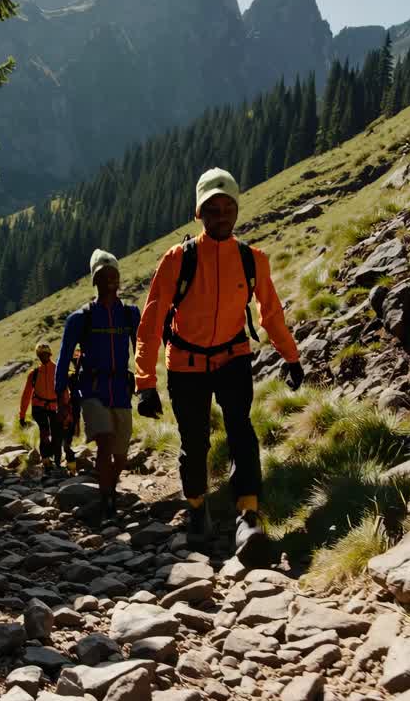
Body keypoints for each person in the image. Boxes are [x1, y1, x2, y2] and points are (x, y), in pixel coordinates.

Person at [135, 167, 303, 565]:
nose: (222, 214)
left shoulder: (252, 260)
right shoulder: (177, 259)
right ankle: (197, 509)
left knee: (242, 430)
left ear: (237, 211)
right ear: (200, 213)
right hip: (186, 364)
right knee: (194, 445)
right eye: (213, 207)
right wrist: (145, 381)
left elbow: (272, 314)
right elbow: (151, 323)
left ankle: (248, 516)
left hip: (232, 356)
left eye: (229, 207)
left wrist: (292, 356)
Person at [55, 250, 140, 520]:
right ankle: (106, 500)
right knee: (104, 442)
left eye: (113, 273)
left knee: (121, 454)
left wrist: (148, 384)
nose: (110, 279)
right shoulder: (80, 318)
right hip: (91, 389)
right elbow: (64, 357)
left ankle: (109, 490)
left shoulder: (130, 314)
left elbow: (142, 349)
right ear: (94, 280)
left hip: (121, 389)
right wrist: (61, 395)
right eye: (103, 275)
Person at [19, 340, 75, 479]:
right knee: (44, 431)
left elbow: (64, 392)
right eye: (41, 354)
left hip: (55, 407)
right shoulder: (34, 373)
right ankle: (45, 459)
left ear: (49, 355)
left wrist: (67, 411)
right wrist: (22, 415)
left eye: (45, 354)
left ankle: (56, 460)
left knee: (57, 434)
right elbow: (26, 395)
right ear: (38, 356)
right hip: (38, 407)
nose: (43, 357)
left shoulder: (58, 370)